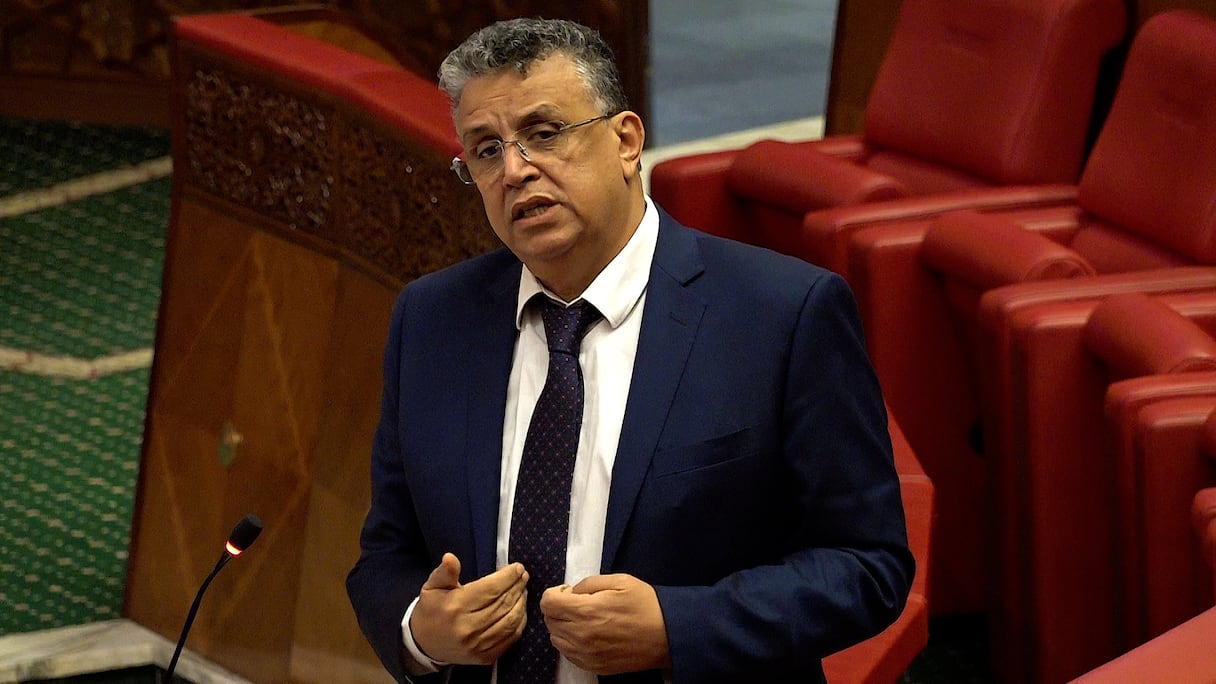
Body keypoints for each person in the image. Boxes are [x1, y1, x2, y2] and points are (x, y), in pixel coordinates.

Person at [347, 17, 913, 684]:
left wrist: (679, 628)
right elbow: (386, 554)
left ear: (625, 141)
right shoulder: (431, 318)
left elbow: (867, 564)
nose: (515, 171)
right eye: (486, 150)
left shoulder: (781, 315)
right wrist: (421, 630)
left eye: (544, 133)